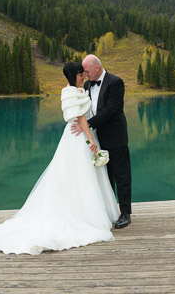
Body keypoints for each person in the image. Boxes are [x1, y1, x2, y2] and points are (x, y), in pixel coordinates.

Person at [0, 62, 119, 255]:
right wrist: (91, 140)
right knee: (78, 174)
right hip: (79, 137)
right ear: (73, 75)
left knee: (84, 175)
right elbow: (80, 118)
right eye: (80, 74)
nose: (83, 76)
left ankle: (90, 210)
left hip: (81, 135)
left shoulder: (78, 89)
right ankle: (81, 214)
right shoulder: (70, 91)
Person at [71, 55, 132, 229]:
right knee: (105, 177)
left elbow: (112, 110)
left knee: (122, 175)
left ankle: (125, 213)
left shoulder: (115, 82)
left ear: (97, 67)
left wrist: (87, 125)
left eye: (87, 71)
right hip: (97, 138)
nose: (85, 74)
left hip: (116, 136)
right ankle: (111, 211)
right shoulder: (88, 84)